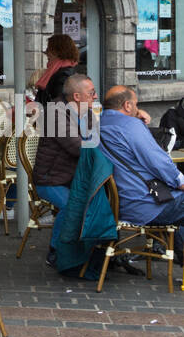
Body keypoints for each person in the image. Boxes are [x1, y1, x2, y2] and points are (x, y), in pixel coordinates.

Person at [100, 85, 184, 262]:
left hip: (116, 204)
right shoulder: (131, 126)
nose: (138, 109)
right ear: (127, 105)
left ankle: (172, 250)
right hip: (145, 204)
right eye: (136, 104)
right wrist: (179, 180)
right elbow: (158, 161)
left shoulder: (96, 125)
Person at [33, 72, 97, 266]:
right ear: (77, 96)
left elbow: (100, 134)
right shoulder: (55, 113)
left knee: (105, 197)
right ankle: (56, 250)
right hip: (50, 179)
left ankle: (95, 249)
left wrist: (135, 114)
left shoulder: (85, 111)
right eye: (92, 93)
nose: (95, 96)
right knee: (72, 205)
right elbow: (77, 147)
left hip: (73, 177)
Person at [33, 34, 80, 108]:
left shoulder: (63, 76)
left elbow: (59, 106)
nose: (46, 53)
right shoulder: (59, 72)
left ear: (59, 51)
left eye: (49, 49)